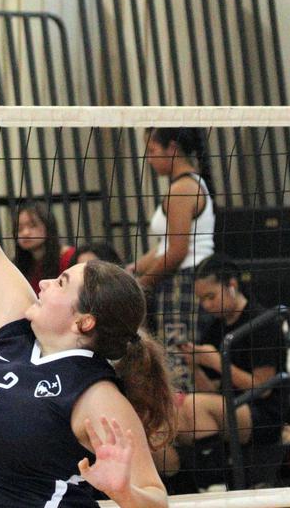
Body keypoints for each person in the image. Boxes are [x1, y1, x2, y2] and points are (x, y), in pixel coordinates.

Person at [0, 40, 173, 507]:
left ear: (86, 321)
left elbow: (156, 500)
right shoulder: (17, 329)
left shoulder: (97, 395)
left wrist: (123, 489)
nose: (44, 281)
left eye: (63, 283)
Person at [131, 126, 215, 391]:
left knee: (179, 355)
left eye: (152, 150)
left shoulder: (183, 189)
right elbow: (162, 248)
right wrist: (129, 270)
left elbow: (176, 252)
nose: (149, 158)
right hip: (178, 280)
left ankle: (193, 420)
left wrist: (141, 286)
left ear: (173, 149)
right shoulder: (185, 185)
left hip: (186, 282)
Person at [175, 254, 285, 450]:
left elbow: (263, 388)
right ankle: (199, 477)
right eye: (201, 300)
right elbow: (210, 392)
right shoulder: (213, 329)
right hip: (230, 404)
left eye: (211, 297)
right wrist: (195, 366)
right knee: (178, 414)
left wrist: (217, 362)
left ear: (232, 285)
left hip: (264, 413)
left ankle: (216, 478)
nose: (206, 305)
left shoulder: (263, 323)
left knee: (193, 406)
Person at [14, 200, 76, 293]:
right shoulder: (17, 266)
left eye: (32, 225)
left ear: (48, 226)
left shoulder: (70, 257)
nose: (25, 233)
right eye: (19, 229)